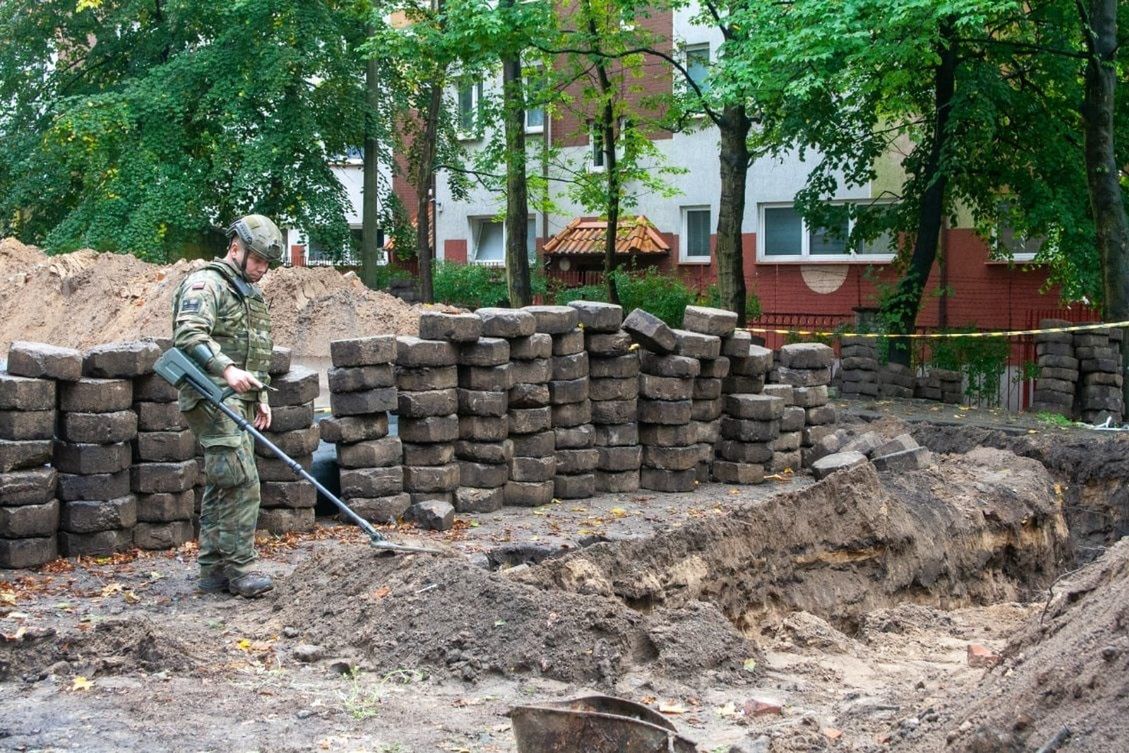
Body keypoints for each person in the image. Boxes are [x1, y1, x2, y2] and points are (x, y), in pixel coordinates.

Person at [172, 214, 282, 597]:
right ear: (236, 247)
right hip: (211, 394)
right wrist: (227, 369)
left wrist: (260, 396)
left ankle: (213, 570)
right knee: (242, 481)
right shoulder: (207, 284)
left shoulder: (249, 293)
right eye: (258, 259)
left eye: (267, 263)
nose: (262, 269)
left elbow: (254, 351)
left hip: (237, 399)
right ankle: (241, 570)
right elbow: (188, 334)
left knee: (224, 480)